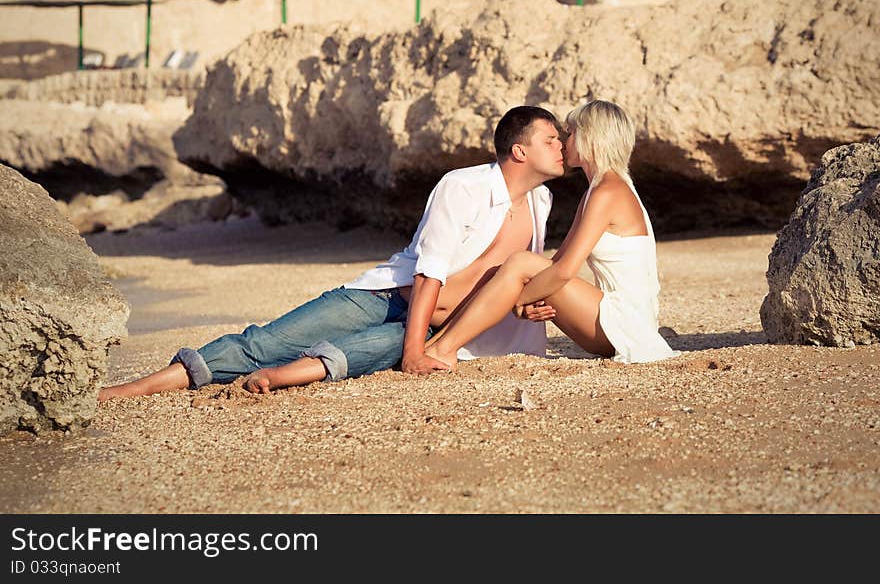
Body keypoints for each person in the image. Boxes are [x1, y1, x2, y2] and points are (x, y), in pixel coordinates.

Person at [98, 106, 566, 400]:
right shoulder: (462, 187)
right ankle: (139, 387)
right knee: (263, 342)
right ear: (519, 151)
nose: (562, 147)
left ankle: (277, 378)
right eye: (551, 140)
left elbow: (507, 281)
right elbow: (430, 272)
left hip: (439, 327)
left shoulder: (541, 203)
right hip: (386, 298)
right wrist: (412, 352)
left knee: (346, 357)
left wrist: (529, 307)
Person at [422, 100, 679, 370]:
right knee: (528, 267)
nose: (563, 143)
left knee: (522, 263)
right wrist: (528, 295)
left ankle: (441, 348)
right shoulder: (598, 188)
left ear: (590, 138)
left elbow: (566, 271)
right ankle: (440, 344)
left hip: (624, 323)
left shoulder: (609, 190)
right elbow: (558, 262)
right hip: (612, 321)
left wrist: (519, 301)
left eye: (570, 134)